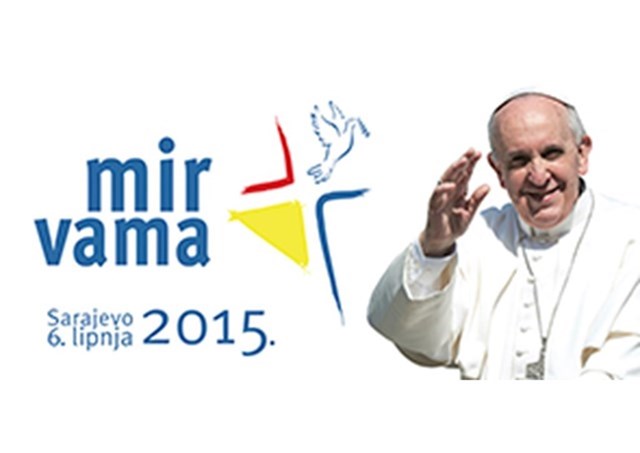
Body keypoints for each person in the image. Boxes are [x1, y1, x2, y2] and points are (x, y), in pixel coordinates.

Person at [368, 90, 640, 379]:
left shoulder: (630, 234)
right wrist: (435, 246)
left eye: (551, 154)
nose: (538, 176)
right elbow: (414, 336)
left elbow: (623, 366)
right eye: (519, 161)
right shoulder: (480, 236)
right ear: (499, 171)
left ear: (582, 154)